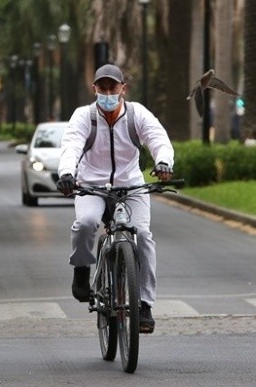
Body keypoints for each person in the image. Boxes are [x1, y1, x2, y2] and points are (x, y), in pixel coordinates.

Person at [56, 64, 174, 334]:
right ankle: (82, 269)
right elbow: (71, 145)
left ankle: (144, 304)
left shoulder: (137, 114)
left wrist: (164, 162)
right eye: (102, 87)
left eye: (113, 87)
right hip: (92, 186)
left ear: (123, 89)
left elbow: (158, 139)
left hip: (130, 186)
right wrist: (66, 173)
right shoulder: (84, 116)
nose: (108, 92)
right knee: (86, 223)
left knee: (143, 235)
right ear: (95, 89)